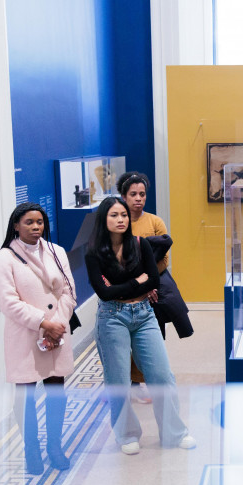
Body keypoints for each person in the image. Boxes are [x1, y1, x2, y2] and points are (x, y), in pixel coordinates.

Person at [84, 197, 195, 455]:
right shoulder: (93, 253)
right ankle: (126, 435)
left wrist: (131, 286)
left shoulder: (140, 243)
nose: (121, 219)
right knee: (118, 381)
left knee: (162, 375)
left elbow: (153, 280)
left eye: (123, 215)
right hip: (112, 318)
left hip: (144, 315)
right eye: (114, 215)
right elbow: (104, 292)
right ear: (104, 219)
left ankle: (174, 432)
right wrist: (137, 283)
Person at [0, 203, 76, 475]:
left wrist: (57, 325)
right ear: (16, 225)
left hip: (56, 335)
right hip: (25, 336)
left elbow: (68, 293)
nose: (36, 227)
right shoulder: (5, 258)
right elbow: (8, 302)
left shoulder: (57, 251)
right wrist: (43, 323)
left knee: (56, 392)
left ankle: (54, 446)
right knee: (26, 397)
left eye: (39, 222)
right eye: (29, 222)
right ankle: (32, 449)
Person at [117, 172, 193, 405]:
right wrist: (138, 282)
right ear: (123, 196)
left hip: (153, 288)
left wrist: (149, 283)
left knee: (152, 336)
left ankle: (150, 382)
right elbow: (116, 258)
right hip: (124, 289)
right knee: (125, 339)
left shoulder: (155, 222)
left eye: (142, 194)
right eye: (133, 194)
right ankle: (130, 384)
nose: (138, 198)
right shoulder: (118, 221)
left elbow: (164, 259)